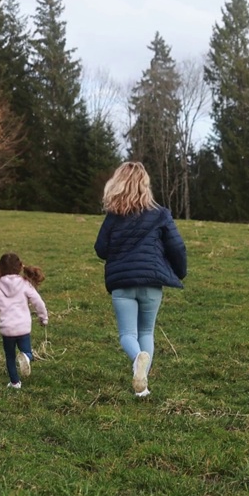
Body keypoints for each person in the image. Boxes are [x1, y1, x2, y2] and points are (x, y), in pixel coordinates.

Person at [93, 161, 187, 397]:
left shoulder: (114, 217)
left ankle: (138, 361)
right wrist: (180, 271)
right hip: (151, 284)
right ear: (145, 185)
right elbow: (177, 247)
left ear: (118, 184)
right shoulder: (161, 214)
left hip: (122, 284)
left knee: (127, 335)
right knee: (146, 332)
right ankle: (141, 387)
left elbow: (100, 249)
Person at [0, 253, 49, 389]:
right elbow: (38, 302)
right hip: (23, 327)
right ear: (20, 267)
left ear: (0, 268)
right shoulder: (25, 284)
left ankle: (15, 382)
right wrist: (43, 318)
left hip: (7, 329)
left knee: (10, 357)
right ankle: (26, 357)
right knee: (27, 351)